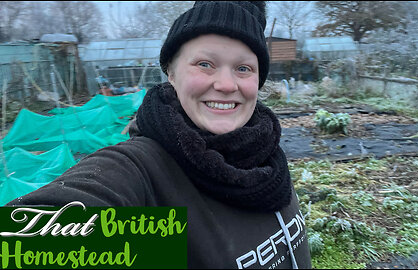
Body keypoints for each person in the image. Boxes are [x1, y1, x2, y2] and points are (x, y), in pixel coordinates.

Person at [6, 1, 311, 268]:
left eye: (243, 68)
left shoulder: (264, 152)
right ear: (171, 73)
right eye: (205, 64)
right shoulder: (147, 173)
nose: (227, 84)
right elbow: (22, 249)